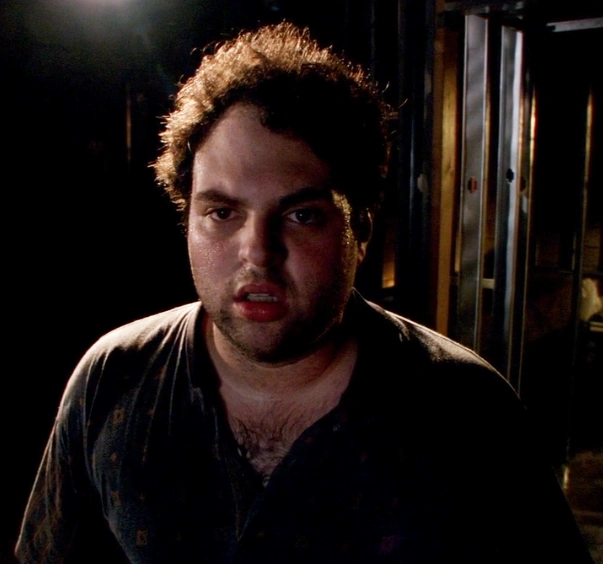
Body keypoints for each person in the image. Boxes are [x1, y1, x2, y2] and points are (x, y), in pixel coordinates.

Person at [15, 22, 594, 564]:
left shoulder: (467, 410)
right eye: (222, 213)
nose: (257, 252)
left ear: (360, 229)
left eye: (302, 215)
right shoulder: (115, 378)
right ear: (186, 219)